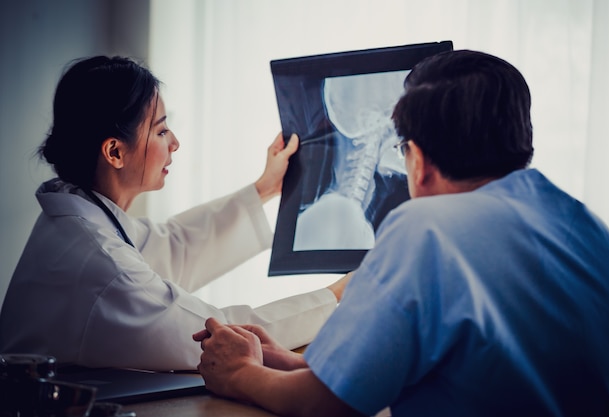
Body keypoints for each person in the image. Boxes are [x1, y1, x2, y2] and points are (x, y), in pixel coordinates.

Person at [193, 50, 609, 416]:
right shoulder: (586, 224)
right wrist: (285, 361)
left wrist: (240, 373)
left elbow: (326, 405)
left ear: (417, 159)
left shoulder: (426, 227)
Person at [0, 56, 350, 371]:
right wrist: (334, 297)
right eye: (161, 130)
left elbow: (172, 246)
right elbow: (215, 334)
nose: (175, 142)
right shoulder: (101, 264)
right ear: (114, 152)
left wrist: (265, 188)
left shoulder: (85, 220)